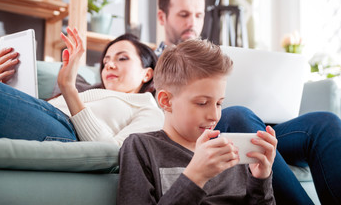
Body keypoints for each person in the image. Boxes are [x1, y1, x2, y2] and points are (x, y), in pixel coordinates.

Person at [155, 0, 341, 204]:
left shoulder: (219, 57)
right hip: (218, 127)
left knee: (325, 123)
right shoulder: (146, 60)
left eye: (198, 15)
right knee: (237, 116)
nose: (192, 22)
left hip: (252, 123)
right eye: (184, 15)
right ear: (162, 17)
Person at [117, 39, 277, 204]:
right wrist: (195, 176)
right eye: (202, 103)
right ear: (166, 101)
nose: (214, 116)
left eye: (219, 103)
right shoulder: (141, 147)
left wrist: (261, 180)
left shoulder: (230, 152)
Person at [0, 27, 164, 146]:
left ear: (147, 73)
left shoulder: (149, 110)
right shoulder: (91, 93)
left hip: (64, 129)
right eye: (106, 60)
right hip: (44, 114)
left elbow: (114, 154)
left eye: (122, 58)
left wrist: (69, 89)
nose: (109, 65)